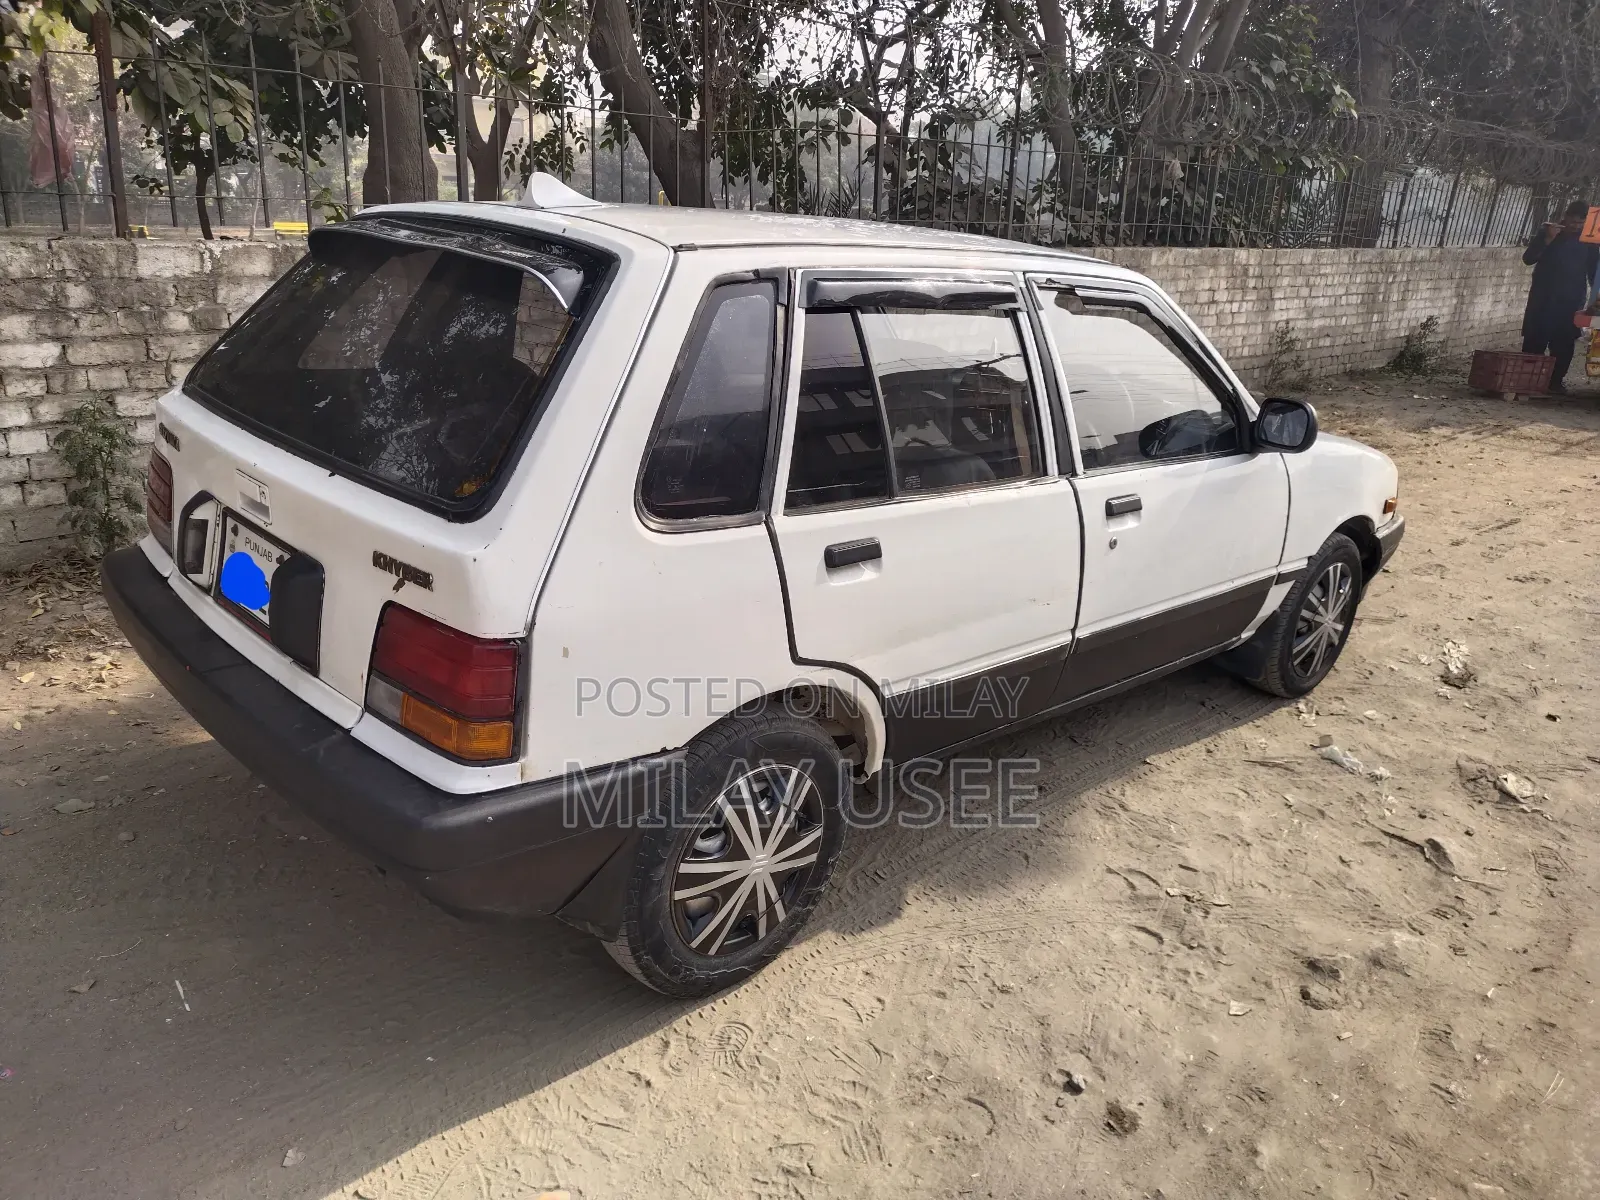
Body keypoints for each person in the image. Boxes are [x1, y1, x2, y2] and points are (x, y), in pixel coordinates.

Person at [1522, 200, 1600, 393]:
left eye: (1580, 223)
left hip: (1571, 300)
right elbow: (1528, 259)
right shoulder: (1548, 233)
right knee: (1535, 339)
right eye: (1572, 222)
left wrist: (1595, 299)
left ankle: (1555, 382)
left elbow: (1592, 273)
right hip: (1542, 297)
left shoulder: (1589, 242)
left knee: (1564, 342)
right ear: (1565, 216)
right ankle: (1528, 381)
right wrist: (1547, 239)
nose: (1575, 226)